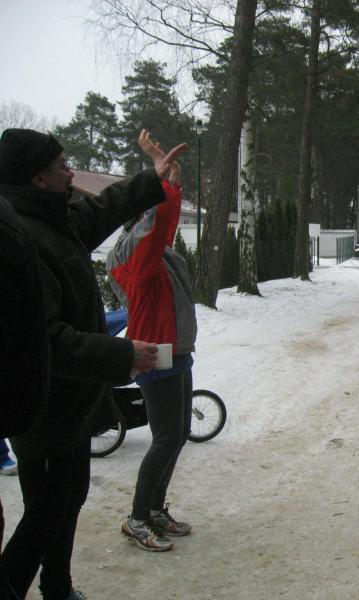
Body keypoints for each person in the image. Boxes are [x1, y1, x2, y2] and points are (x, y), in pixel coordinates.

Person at [0, 127, 185, 600]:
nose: (70, 173)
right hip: (44, 410)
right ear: (38, 177)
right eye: (62, 166)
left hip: (74, 405)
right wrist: (122, 354)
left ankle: (58, 587)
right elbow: (45, 340)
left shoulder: (54, 219)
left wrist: (153, 178)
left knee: (68, 501)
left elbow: (102, 209)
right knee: (44, 513)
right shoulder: (22, 239)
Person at [106, 134, 197, 552]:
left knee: (177, 434)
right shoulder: (134, 253)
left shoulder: (152, 248)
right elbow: (159, 224)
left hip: (176, 350)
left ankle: (156, 509)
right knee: (165, 439)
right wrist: (160, 183)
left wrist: (172, 185)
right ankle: (138, 518)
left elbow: (165, 225)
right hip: (154, 352)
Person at [1, 190, 50, 600]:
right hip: (35, 409)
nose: (69, 173)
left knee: (54, 504)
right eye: (59, 165)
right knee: (48, 505)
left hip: (28, 402)